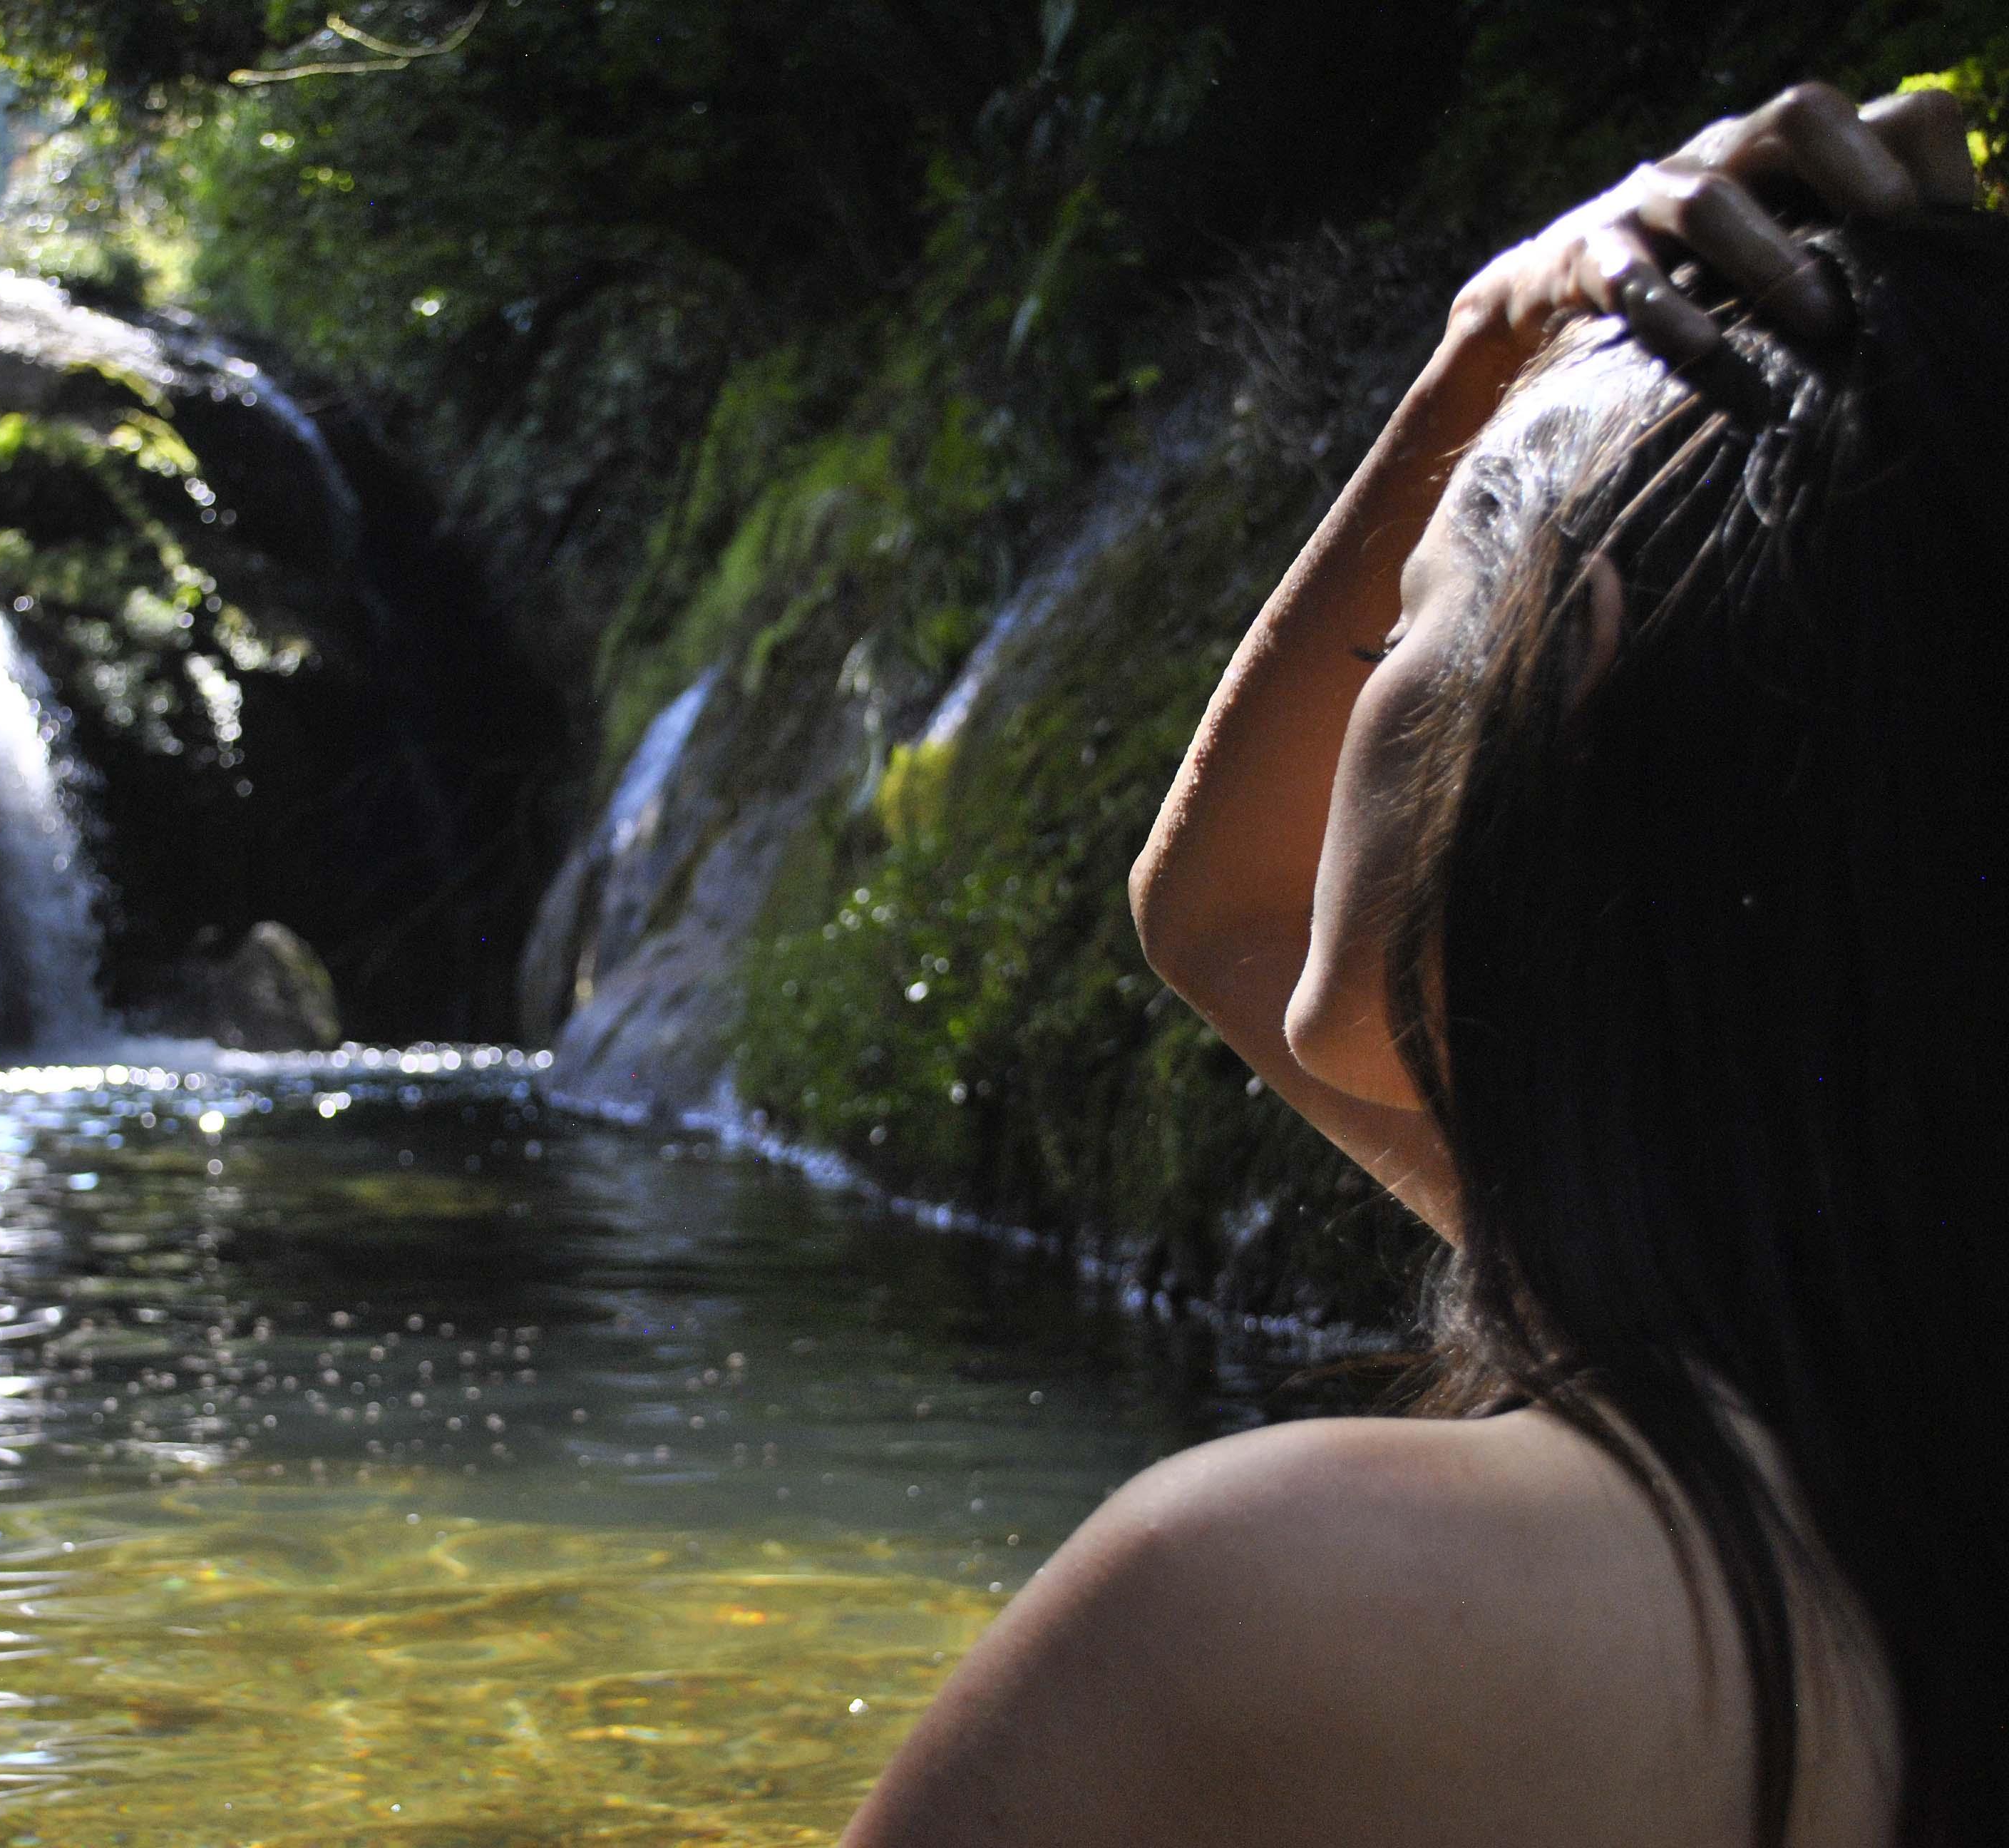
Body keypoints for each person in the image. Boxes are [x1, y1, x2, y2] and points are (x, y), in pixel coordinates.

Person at [841, 81, 2000, 1848]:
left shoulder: (1263, 1609)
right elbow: (1216, 924)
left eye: (1405, 627)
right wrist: (1490, 349)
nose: (1369, 669)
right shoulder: (1893, 1401)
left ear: (1574, 687)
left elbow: (1220, 919)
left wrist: (1492, 342)